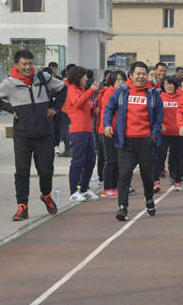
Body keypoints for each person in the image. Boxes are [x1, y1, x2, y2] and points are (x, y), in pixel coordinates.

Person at [0, 50, 66, 221]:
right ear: (17, 65)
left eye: (30, 63)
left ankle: (46, 195)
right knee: (22, 172)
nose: (28, 67)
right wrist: (10, 109)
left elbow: (63, 88)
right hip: (22, 136)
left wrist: (55, 108)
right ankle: (22, 206)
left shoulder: (43, 78)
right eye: (24, 64)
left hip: (44, 134)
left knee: (46, 170)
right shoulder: (9, 83)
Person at [104, 61, 164, 222]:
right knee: (124, 174)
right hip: (125, 142)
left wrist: (154, 134)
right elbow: (109, 108)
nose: (141, 77)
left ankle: (149, 198)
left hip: (146, 141)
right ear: (131, 75)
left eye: (144, 74)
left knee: (147, 174)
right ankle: (122, 207)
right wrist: (107, 124)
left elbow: (159, 114)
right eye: (138, 73)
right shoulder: (122, 91)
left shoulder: (152, 93)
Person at [65, 66, 100, 201]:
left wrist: (94, 111)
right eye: (84, 76)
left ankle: (84, 189)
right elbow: (78, 103)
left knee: (90, 161)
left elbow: (85, 107)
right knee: (78, 161)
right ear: (78, 77)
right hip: (78, 131)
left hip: (88, 130)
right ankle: (73, 191)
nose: (86, 79)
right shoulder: (71, 90)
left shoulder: (83, 91)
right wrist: (91, 91)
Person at [98, 70, 126, 198]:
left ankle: (115, 186)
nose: (120, 82)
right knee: (110, 160)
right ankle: (107, 188)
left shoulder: (121, 93)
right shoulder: (109, 93)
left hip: (117, 131)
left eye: (122, 80)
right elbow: (107, 113)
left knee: (117, 160)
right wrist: (107, 126)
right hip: (107, 130)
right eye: (117, 80)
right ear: (112, 81)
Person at [155, 76, 183, 192]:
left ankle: (177, 180)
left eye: (171, 84)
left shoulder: (182, 97)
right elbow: (155, 113)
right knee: (160, 157)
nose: (169, 86)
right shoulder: (159, 98)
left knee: (177, 157)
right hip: (164, 133)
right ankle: (156, 181)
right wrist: (159, 124)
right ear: (163, 86)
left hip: (178, 133)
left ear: (175, 85)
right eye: (166, 84)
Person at [57, 63, 76, 158]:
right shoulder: (78, 83)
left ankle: (68, 149)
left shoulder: (62, 83)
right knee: (75, 130)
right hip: (75, 109)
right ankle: (75, 149)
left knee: (65, 130)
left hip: (65, 109)